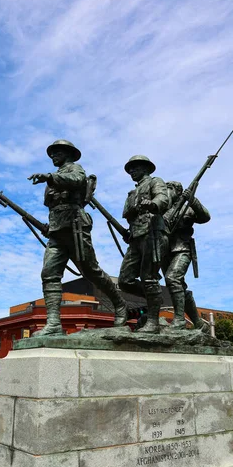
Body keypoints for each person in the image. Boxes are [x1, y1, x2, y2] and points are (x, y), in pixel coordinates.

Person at [29, 139, 127, 336]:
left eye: (57, 153)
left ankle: (119, 304)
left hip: (76, 228)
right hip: (57, 232)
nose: (53, 157)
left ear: (67, 153)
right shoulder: (54, 178)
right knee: (49, 274)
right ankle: (54, 323)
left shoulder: (75, 169)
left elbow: (78, 182)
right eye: (51, 154)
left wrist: (49, 177)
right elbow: (52, 205)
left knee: (91, 271)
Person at [118, 155, 169, 333]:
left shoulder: (155, 182)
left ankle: (153, 321)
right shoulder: (132, 193)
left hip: (152, 234)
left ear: (145, 168)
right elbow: (128, 214)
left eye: (135, 168)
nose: (131, 171)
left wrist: (153, 204)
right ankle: (154, 297)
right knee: (125, 281)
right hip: (136, 237)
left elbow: (163, 198)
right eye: (130, 169)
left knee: (149, 277)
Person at [162, 181, 210, 330]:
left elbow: (205, 217)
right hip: (164, 250)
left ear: (178, 191)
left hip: (182, 248)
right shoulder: (162, 208)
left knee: (172, 278)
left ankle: (179, 319)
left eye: (170, 189)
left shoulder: (187, 208)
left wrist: (193, 200)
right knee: (177, 286)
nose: (167, 191)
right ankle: (198, 322)